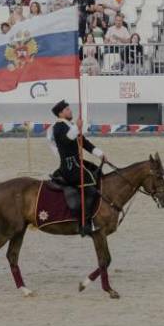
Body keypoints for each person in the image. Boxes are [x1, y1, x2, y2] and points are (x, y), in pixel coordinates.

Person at [50, 100, 107, 236]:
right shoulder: (58, 127)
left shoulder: (69, 126)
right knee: (91, 190)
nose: (71, 111)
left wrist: (100, 154)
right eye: (68, 110)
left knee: (97, 174)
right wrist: (77, 126)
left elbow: (84, 143)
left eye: (69, 109)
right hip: (69, 167)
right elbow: (66, 139)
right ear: (61, 113)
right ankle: (85, 223)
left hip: (77, 163)